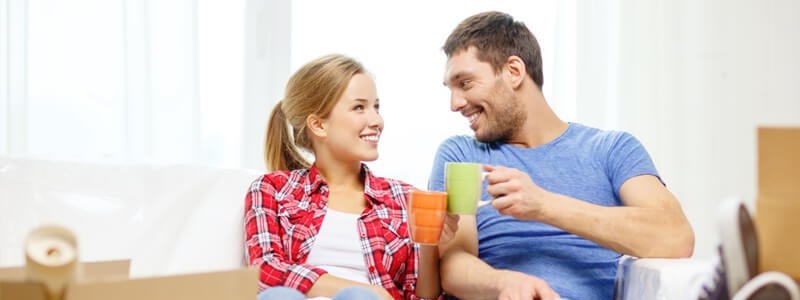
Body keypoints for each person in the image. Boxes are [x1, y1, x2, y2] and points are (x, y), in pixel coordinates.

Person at [428, 11, 695, 300]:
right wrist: (504, 283)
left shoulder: (612, 149)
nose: (455, 103)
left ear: (514, 71)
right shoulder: (460, 155)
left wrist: (543, 204)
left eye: (465, 83)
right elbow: (453, 264)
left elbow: (675, 237)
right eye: (451, 89)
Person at [243, 54, 454, 300]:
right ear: (318, 125)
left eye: (376, 107)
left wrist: (430, 243)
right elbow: (265, 270)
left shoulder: (405, 198)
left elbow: (421, 297)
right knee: (279, 297)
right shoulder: (272, 190)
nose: (377, 121)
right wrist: (371, 291)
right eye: (359, 107)